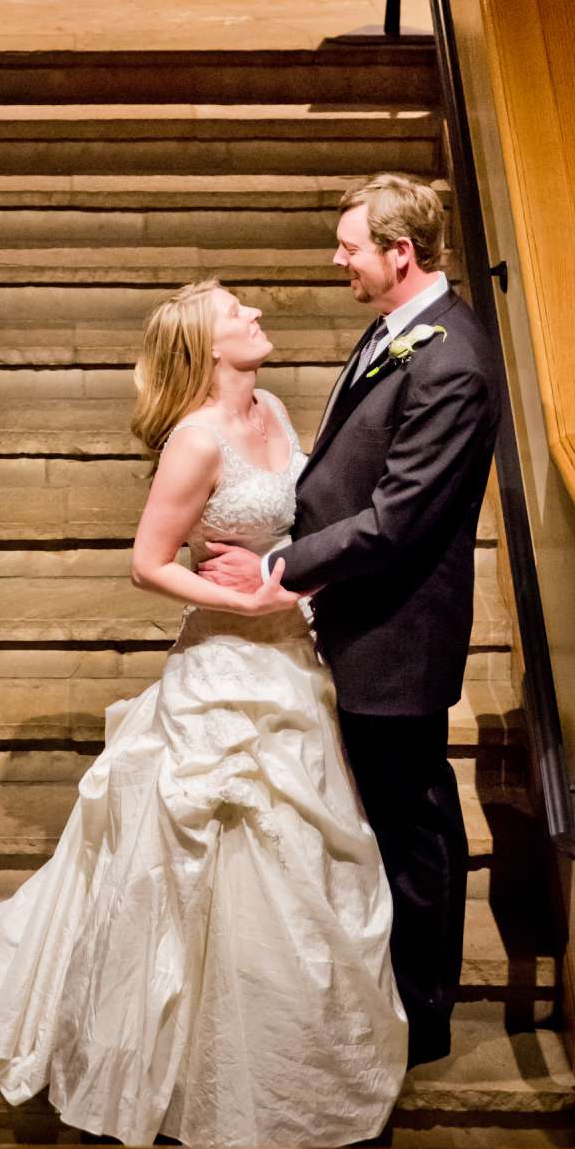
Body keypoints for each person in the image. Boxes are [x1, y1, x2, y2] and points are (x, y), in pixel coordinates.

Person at [0, 279, 407, 1149]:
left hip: (289, 664)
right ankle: (180, 1059)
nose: (258, 316)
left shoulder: (270, 406)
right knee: (205, 841)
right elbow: (149, 564)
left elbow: (291, 524)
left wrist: (286, 578)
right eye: (240, 313)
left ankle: (293, 1041)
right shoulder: (195, 443)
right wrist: (250, 606)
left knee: (306, 848)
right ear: (205, 345)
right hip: (226, 666)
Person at [199, 173, 500, 1070]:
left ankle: (425, 1013)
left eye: (352, 247)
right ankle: (377, 987)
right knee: (382, 811)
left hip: (397, 630)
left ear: (399, 254)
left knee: (412, 819)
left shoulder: (452, 361)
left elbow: (398, 519)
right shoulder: (401, 329)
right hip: (358, 612)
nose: (339, 259)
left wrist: (279, 568)